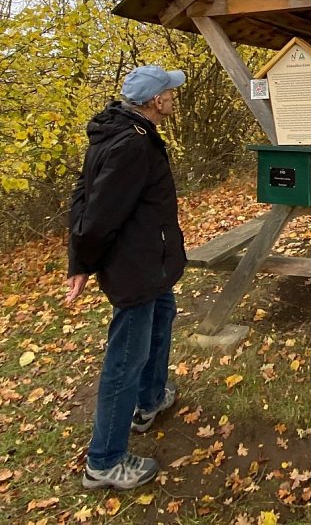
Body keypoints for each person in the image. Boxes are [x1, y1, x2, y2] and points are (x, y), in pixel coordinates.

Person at [66, 65, 187, 490]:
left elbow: (83, 193)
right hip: (135, 269)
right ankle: (104, 461)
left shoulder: (120, 133)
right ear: (156, 101)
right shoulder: (130, 146)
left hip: (153, 263)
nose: (173, 96)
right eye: (169, 92)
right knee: (125, 361)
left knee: (162, 321)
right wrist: (81, 262)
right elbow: (96, 217)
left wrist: (78, 261)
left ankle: (150, 400)